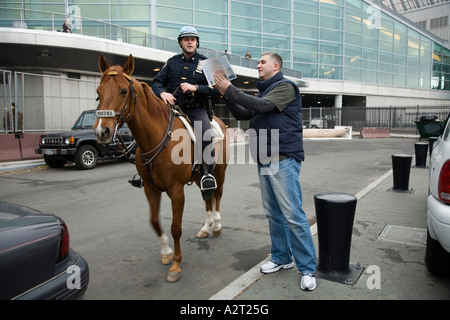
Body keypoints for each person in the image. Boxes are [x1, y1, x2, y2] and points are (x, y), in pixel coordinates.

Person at [213, 51, 317, 291]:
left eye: (262, 62)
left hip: (283, 159)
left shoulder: (286, 87)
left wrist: (229, 88)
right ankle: (282, 258)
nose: (258, 65)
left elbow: (260, 106)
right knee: (274, 214)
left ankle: (308, 268)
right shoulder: (264, 92)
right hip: (265, 157)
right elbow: (243, 112)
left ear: (276, 65)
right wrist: (225, 94)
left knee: (292, 214)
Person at [129, 26, 219, 200]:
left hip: (195, 110)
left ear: (197, 42)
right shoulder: (171, 62)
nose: (190, 42)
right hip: (171, 109)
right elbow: (156, 83)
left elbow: (218, 90)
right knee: (147, 132)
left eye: (193, 39)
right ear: (180, 43)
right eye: (186, 39)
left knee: (205, 133)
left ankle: (207, 174)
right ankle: (143, 174)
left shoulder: (209, 62)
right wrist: (162, 93)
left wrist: (196, 87)